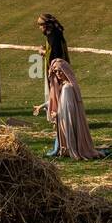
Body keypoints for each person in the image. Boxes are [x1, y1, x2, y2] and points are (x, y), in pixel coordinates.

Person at [46, 59, 103, 160]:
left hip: (68, 118)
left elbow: (67, 108)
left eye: (60, 71)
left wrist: (57, 114)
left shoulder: (67, 88)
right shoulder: (64, 85)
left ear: (66, 71)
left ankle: (70, 148)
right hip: (64, 117)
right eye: (56, 71)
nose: (58, 74)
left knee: (70, 133)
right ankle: (66, 148)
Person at [36, 13, 70, 155]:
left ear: (46, 26)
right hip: (58, 76)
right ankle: (60, 143)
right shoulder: (56, 36)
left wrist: (42, 52)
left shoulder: (53, 37)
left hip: (57, 78)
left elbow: (54, 58)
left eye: (41, 26)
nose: (40, 29)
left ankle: (60, 145)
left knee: (58, 110)